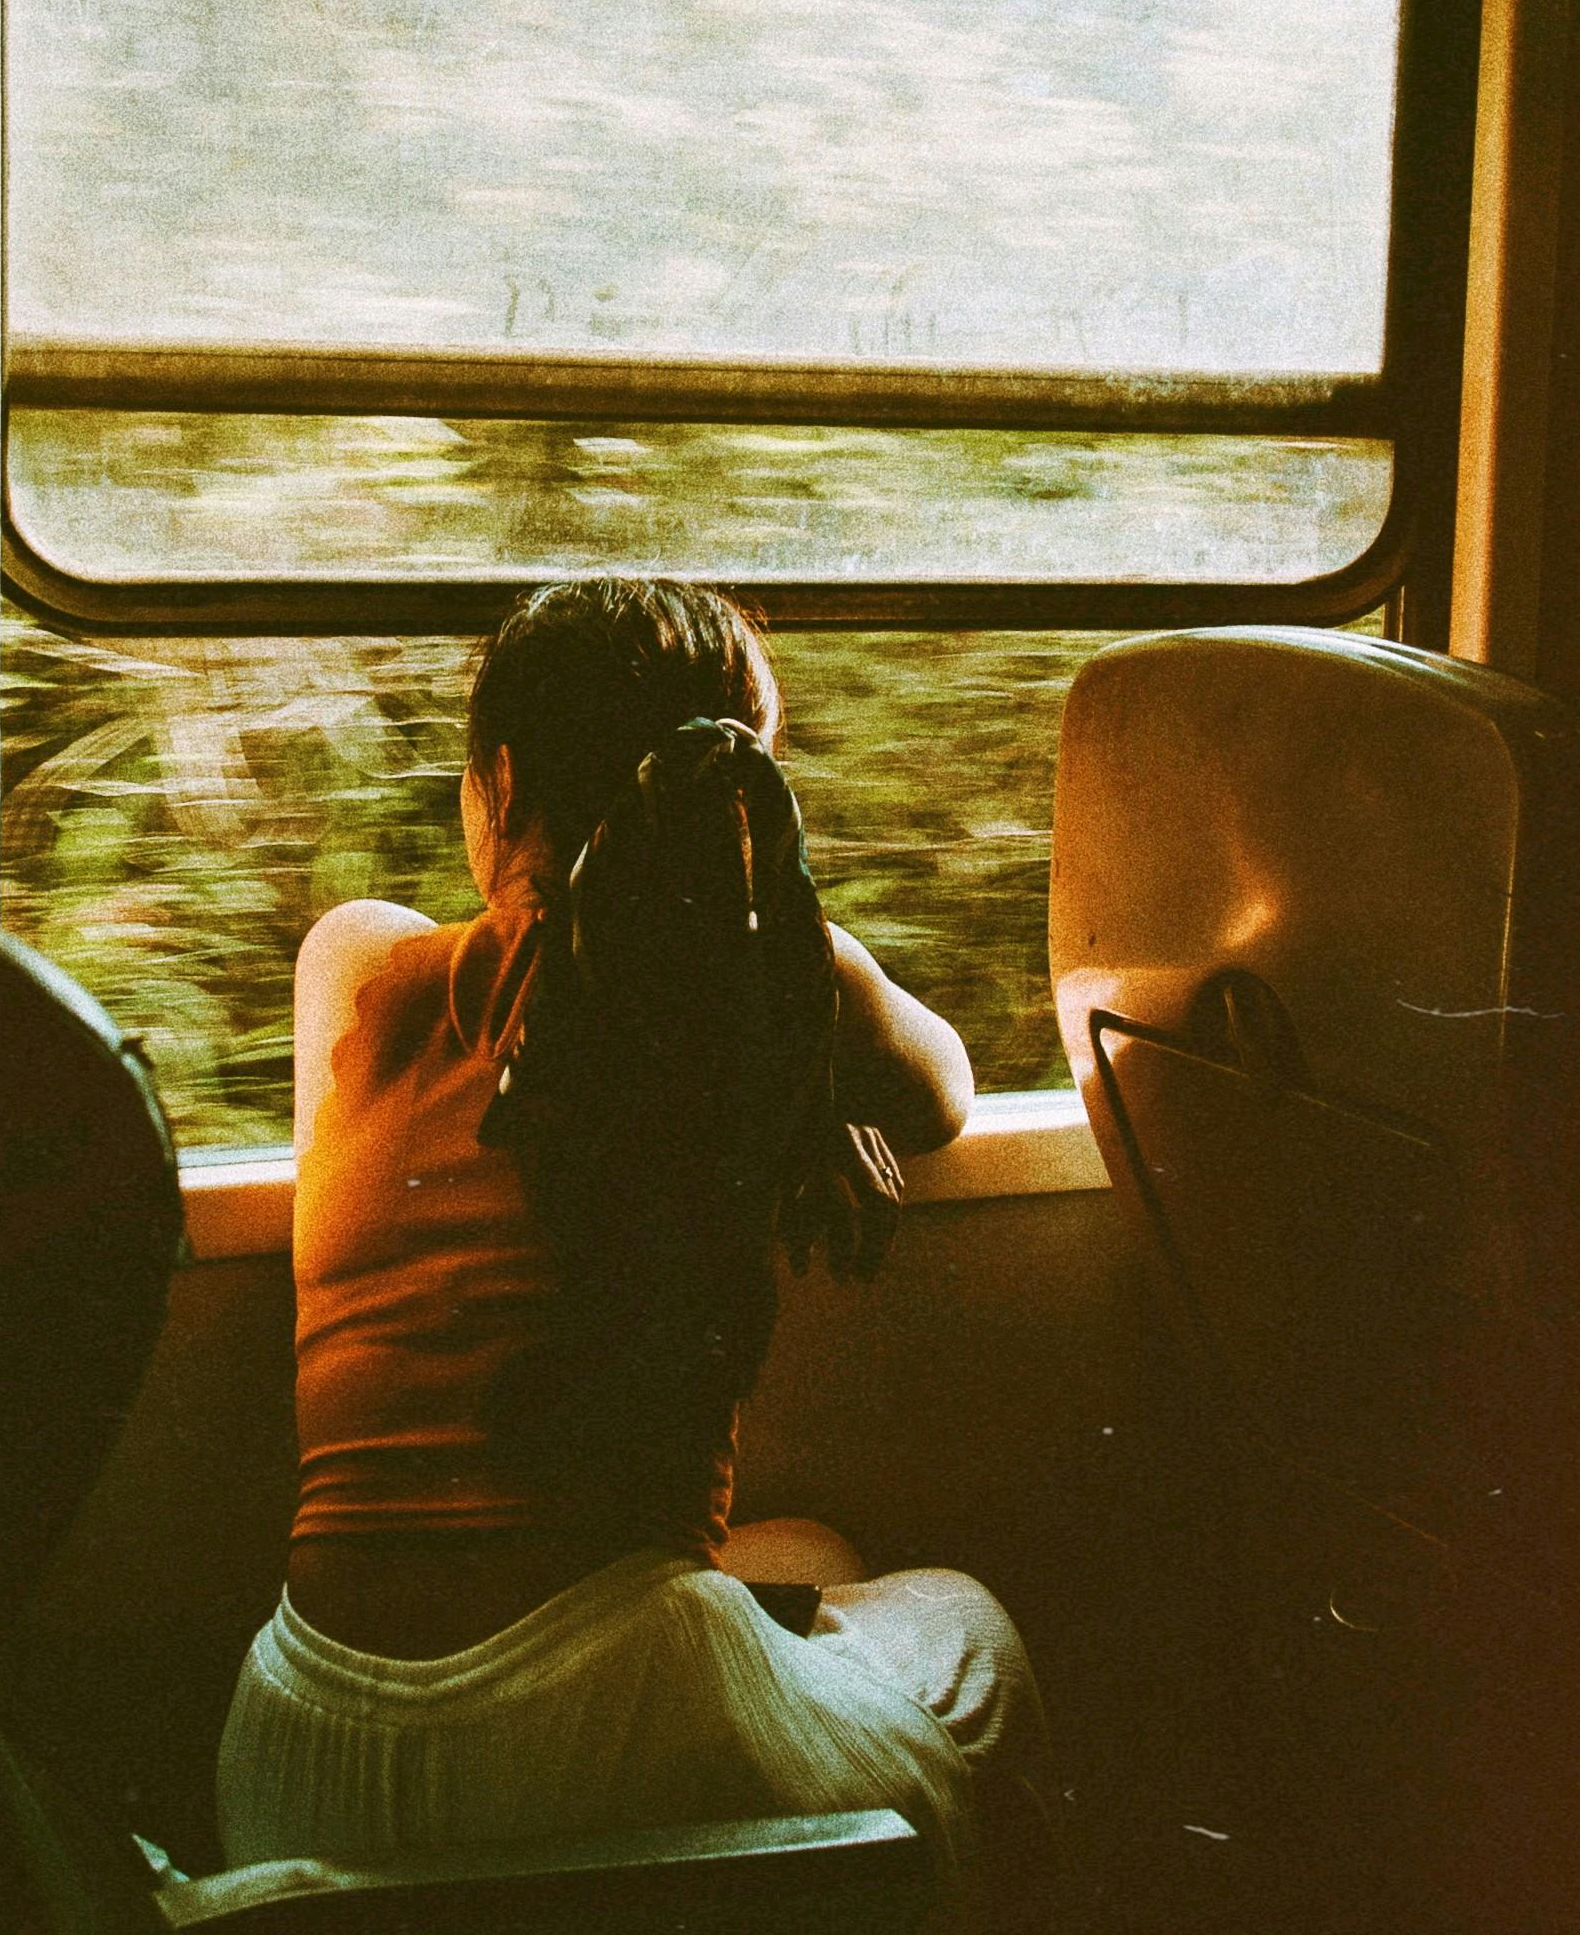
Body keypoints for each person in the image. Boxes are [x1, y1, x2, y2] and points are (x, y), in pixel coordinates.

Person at [215, 574, 1050, 1914]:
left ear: (495, 782)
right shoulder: (786, 996)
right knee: (964, 1627)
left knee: (812, 1554)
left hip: (302, 1738)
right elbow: (942, 1088)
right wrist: (795, 1060)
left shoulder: (362, 969)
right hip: (601, 1721)